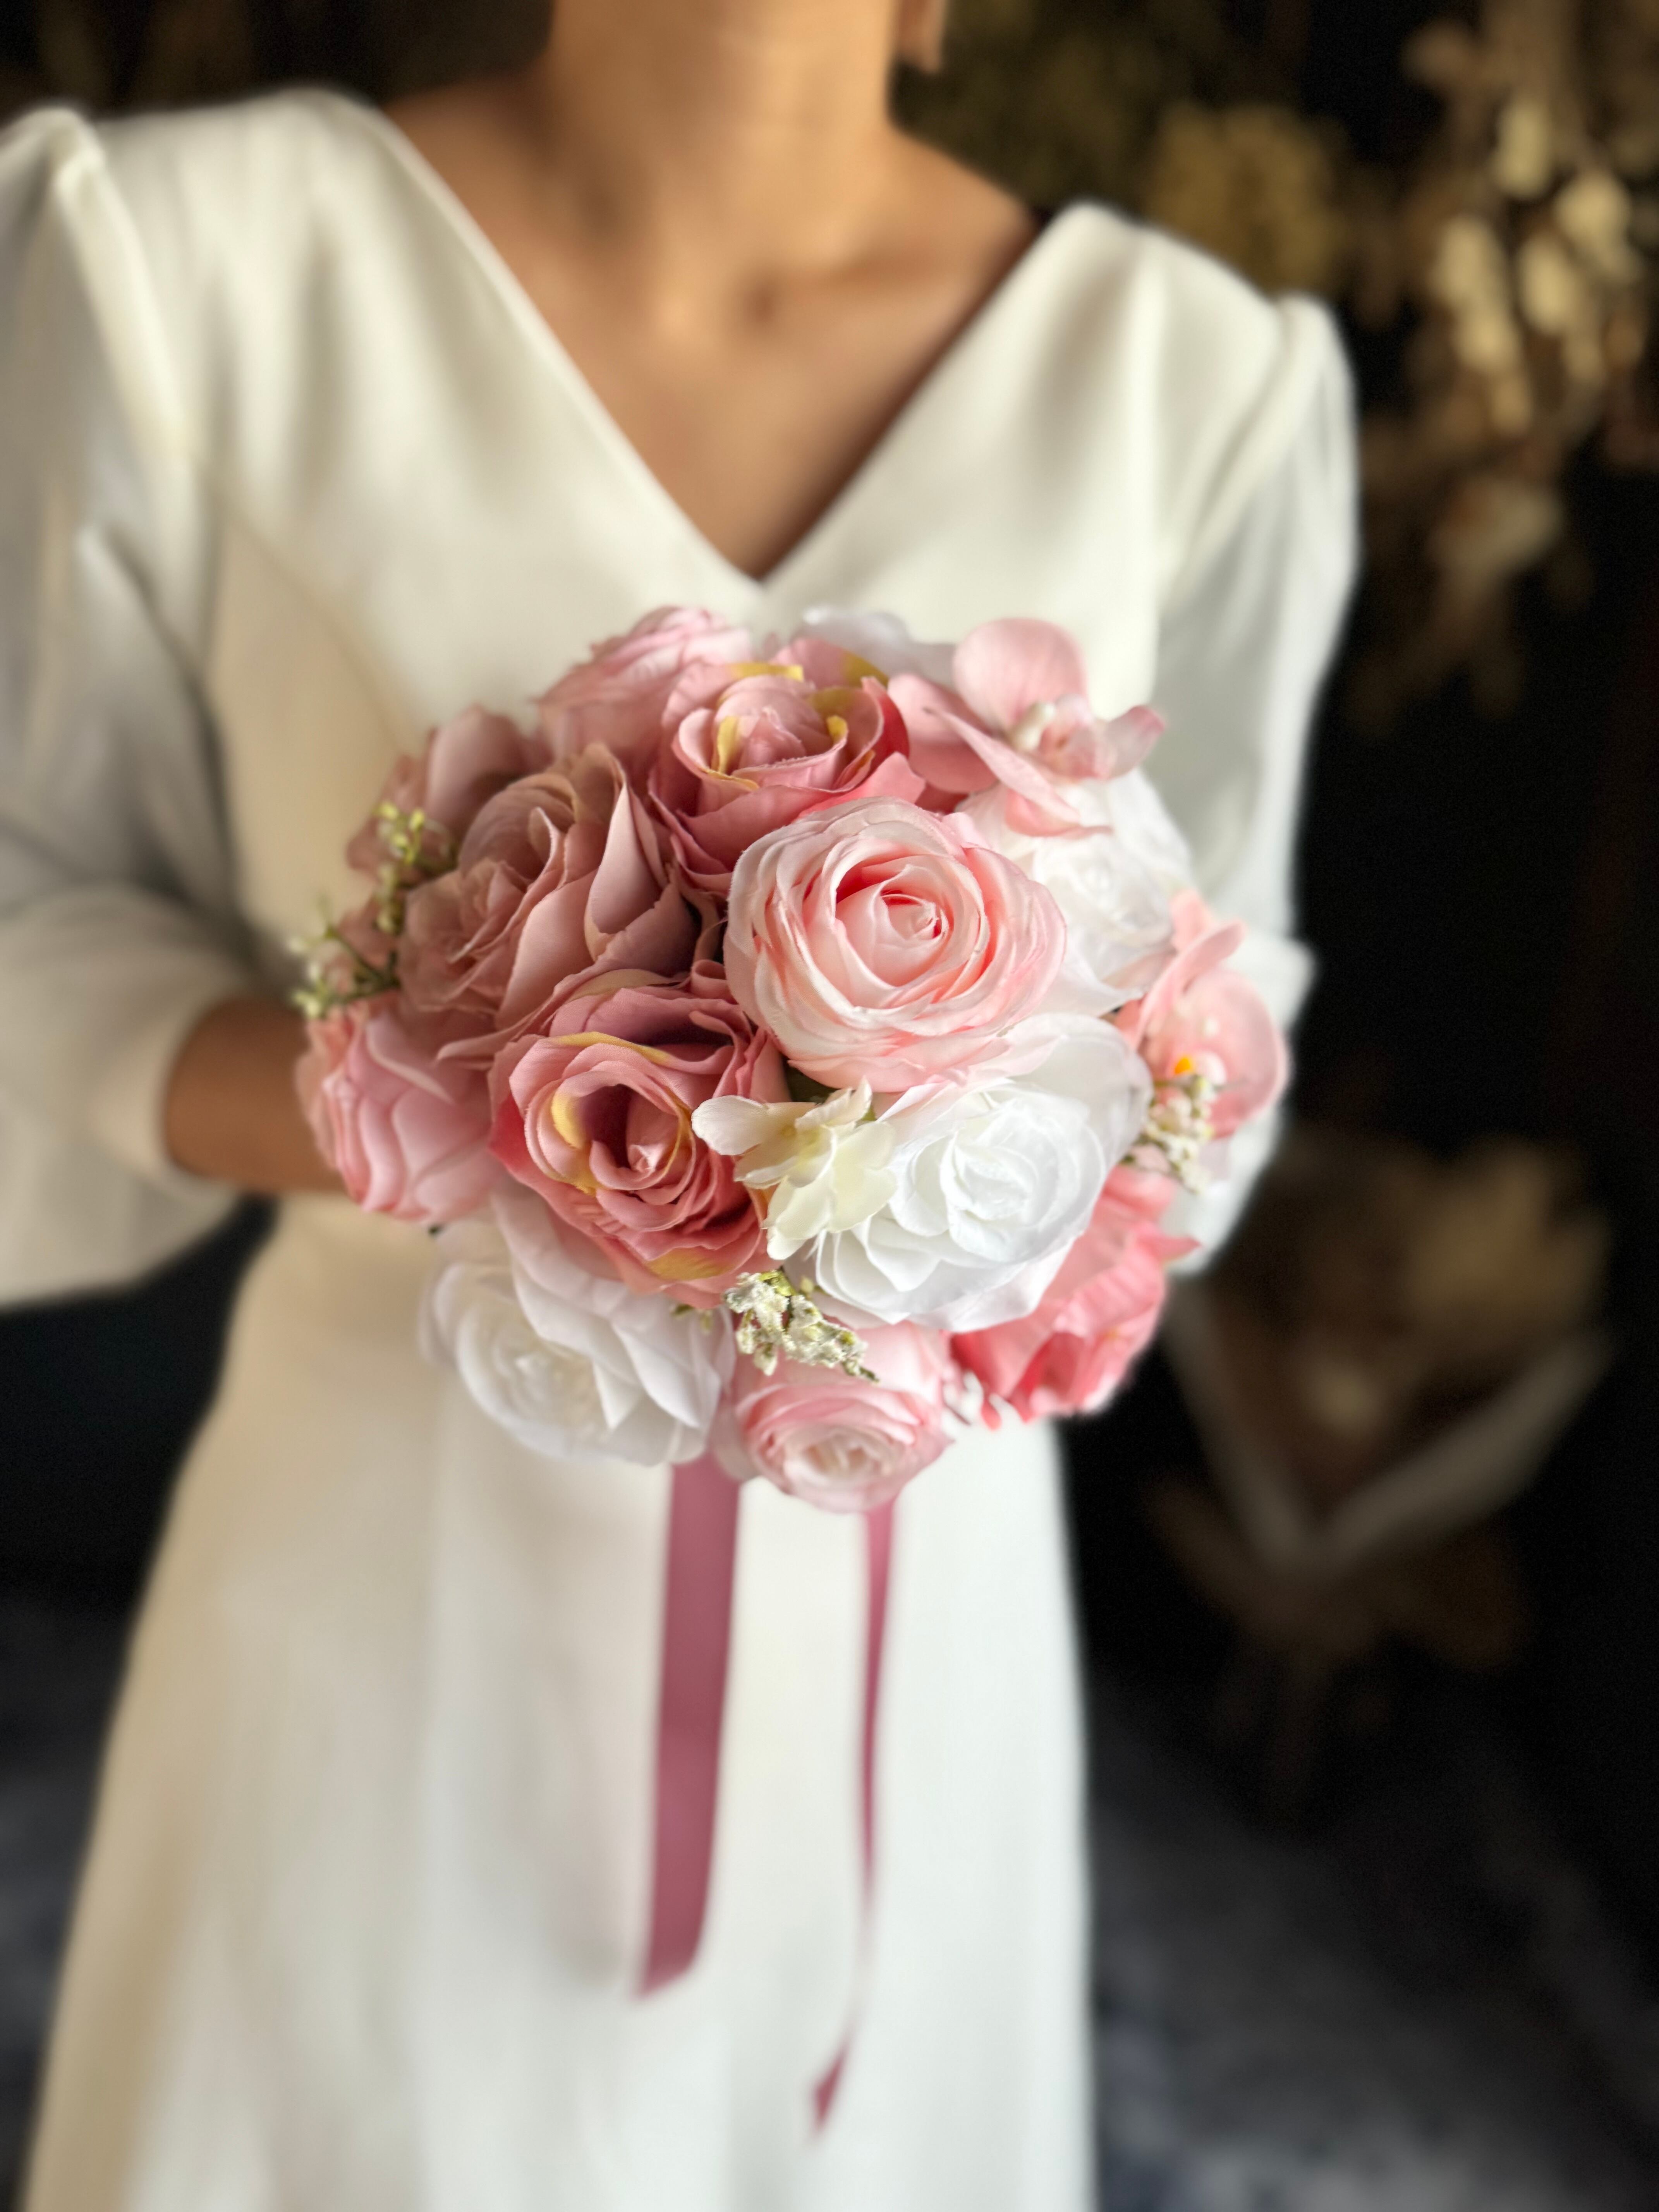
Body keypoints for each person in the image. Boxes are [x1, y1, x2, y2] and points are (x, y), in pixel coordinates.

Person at [0, 1, 1355, 2203]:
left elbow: (1221, 1035)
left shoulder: (1189, 383)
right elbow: (29, 914)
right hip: (386, 1593)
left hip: (915, 1616)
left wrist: (957, 1153)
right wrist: (493, 1109)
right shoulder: (191, 266)